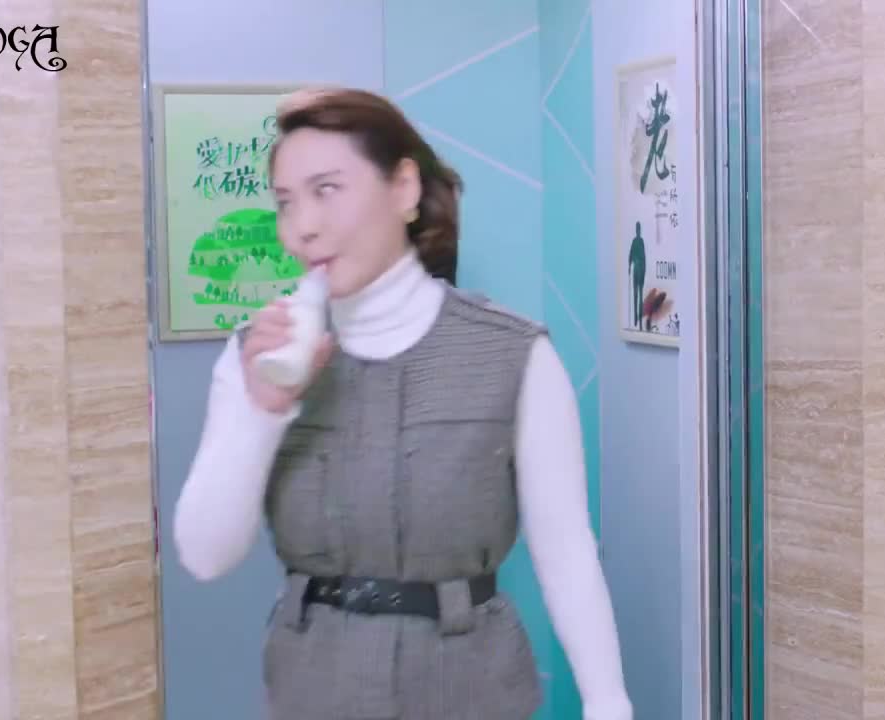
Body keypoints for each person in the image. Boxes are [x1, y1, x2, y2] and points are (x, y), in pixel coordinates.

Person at [172, 87, 632, 720]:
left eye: (327, 189)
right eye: (286, 202)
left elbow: (567, 554)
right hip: (312, 693)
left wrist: (609, 703)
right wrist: (264, 410)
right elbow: (205, 555)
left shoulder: (514, 354)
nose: (302, 227)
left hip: (472, 692)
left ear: (404, 188)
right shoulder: (254, 357)